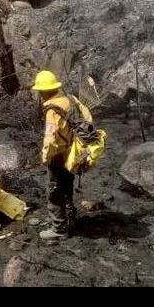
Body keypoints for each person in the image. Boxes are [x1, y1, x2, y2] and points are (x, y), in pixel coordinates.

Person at [30, 70, 92, 240]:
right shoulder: (71, 99)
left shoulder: (52, 110)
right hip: (73, 153)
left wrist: (45, 157)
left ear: (43, 91)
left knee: (54, 191)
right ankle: (70, 217)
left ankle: (59, 228)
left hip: (58, 156)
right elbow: (88, 119)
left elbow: (50, 140)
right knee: (67, 186)